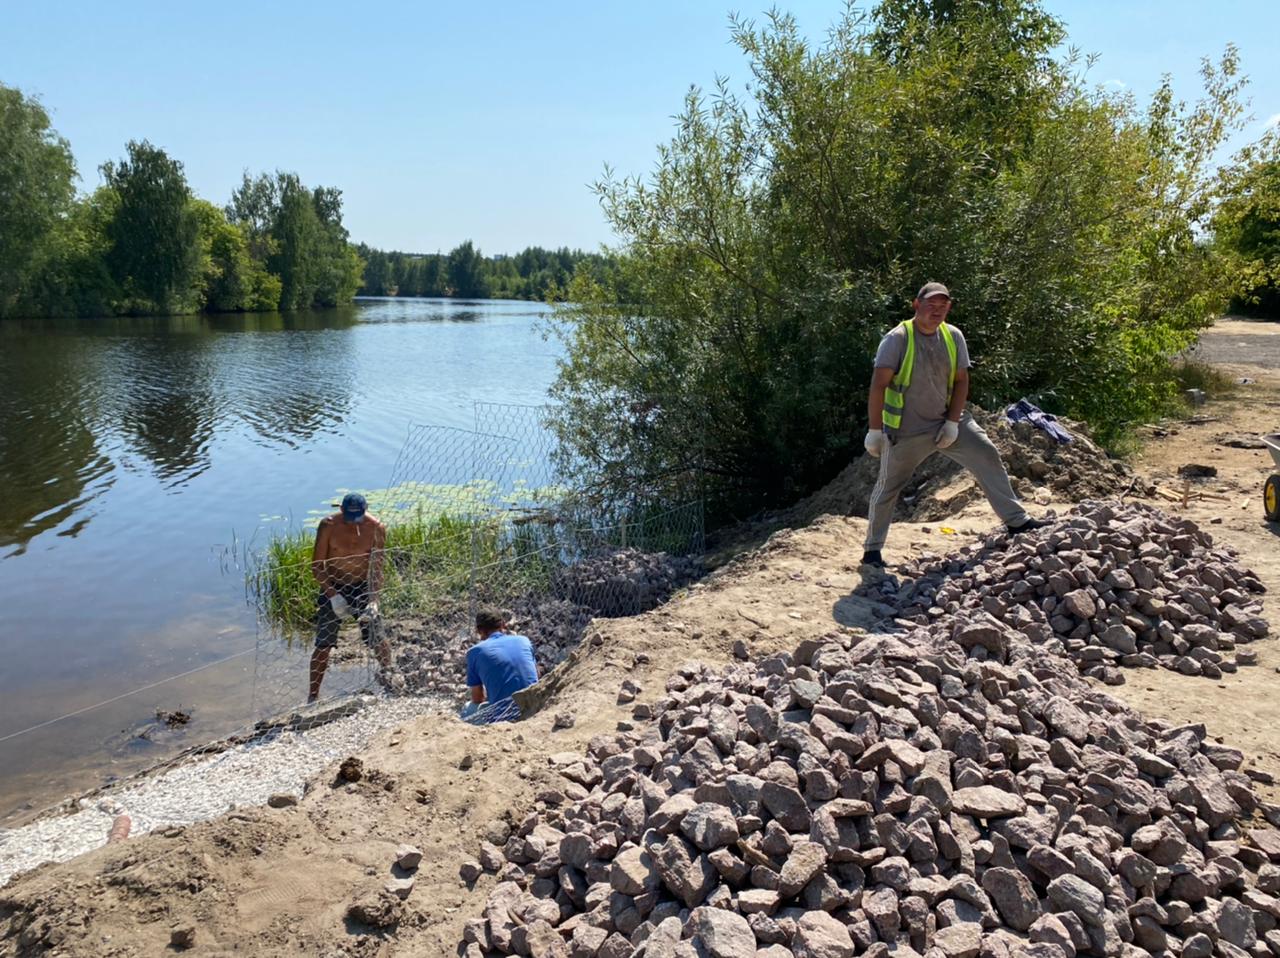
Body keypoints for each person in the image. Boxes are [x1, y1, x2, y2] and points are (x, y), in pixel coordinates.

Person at [862, 282, 1045, 568]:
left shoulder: (953, 336)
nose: (937, 310)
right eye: (931, 304)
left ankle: (1017, 522)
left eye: (942, 305)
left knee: (987, 454)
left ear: (948, 307)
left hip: (947, 420)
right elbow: (878, 385)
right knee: (888, 487)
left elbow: (961, 381)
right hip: (906, 431)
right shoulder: (897, 339)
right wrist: (875, 431)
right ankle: (872, 551)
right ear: (916, 305)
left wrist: (952, 423)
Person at [308, 492, 390, 702]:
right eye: (349, 517)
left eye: (359, 517)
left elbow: (377, 568)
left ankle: (391, 676)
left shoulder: (376, 528)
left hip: (362, 587)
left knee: (377, 636)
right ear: (341, 510)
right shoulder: (328, 526)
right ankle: (313, 696)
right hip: (334, 585)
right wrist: (333, 595)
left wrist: (374, 600)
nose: (354, 523)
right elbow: (317, 566)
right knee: (323, 643)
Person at [461, 608, 538, 724]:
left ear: (478, 630)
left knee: (468, 709)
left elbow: (477, 698)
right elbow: (535, 675)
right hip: (536, 706)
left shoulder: (475, 652)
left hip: (505, 716)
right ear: (503, 624)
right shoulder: (524, 641)